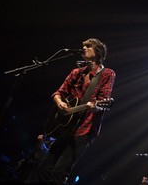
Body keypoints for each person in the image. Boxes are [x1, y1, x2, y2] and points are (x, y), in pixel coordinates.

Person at [36, 38, 116, 184]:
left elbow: (104, 100)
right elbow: (58, 93)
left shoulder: (107, 74)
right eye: (83, 46)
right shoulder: (76, 72)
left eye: (88, 46)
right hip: (66, 127)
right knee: (43, 168)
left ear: (97, 51)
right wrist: (60, 103)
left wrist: (95, 106)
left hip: (84, 129)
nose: (84, 48)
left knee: (59, 173)